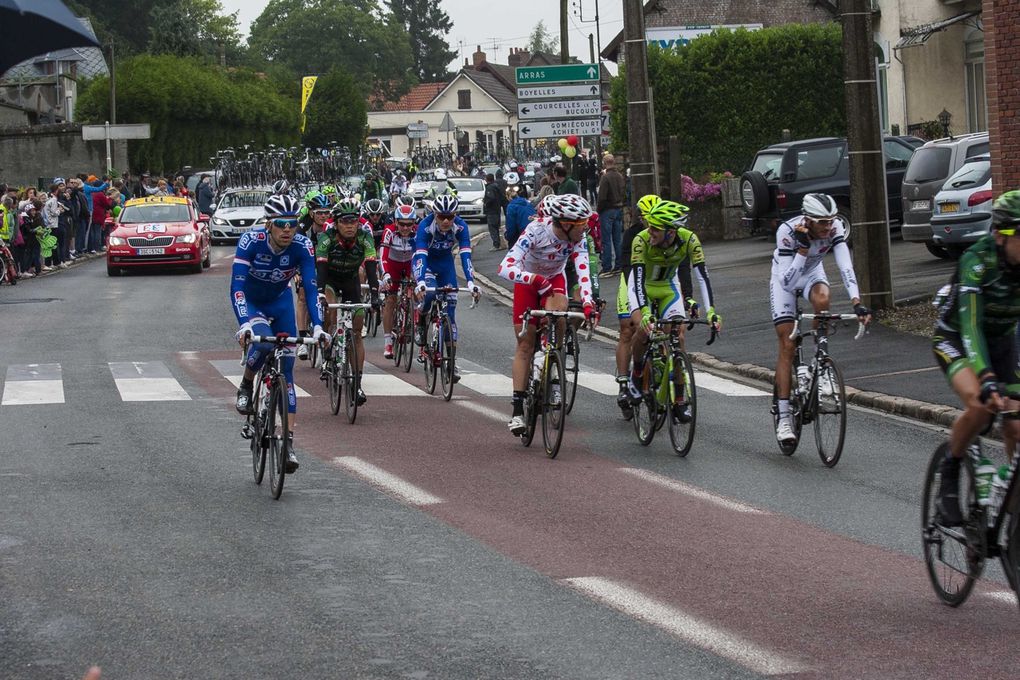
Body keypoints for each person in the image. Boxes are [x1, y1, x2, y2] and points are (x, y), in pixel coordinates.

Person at [933, 191, 1020, 526]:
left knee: (1014, 425)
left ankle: (1009, 506)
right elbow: (970, 324)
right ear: (1001, 235)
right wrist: (984, 377)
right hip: (956, 338)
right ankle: (951, 469)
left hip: (1002, 343)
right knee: (981, 405)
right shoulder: (977, 260)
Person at [231, 194, 327, 473]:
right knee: (261, 346)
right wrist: (244, 323)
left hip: (281, 302)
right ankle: (247, 384)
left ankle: (287, 442)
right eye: (281, 223)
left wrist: (318, 326)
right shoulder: (251, 242)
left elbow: (310, 288)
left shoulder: (303, 245)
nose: (288, 229)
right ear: (268, 224)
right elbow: (236, 286)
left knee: (287, 372)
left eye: (293, 223)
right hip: (252, 302)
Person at [771, 193, 870, 444]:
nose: (828, 227)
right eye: (822, 222)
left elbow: (845, 265)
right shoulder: (787, 232)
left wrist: (856, 301)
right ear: (808, 220)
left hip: (813, 272)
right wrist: (803, 248)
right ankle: (784, 418)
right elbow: (788, 281)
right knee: (787, 345)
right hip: (786, 277)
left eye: (831, 221)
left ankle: (820, 362)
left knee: (824, 299)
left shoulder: (834, 227)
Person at [497, 194, 597, 435]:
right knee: (524, 345)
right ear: (565, 223)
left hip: (554, 280)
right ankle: (518, 409)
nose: (586, 228)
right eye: (582, 224)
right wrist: (535, 279)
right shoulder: (535, 231)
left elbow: (583, 270)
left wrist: (588, 303)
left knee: (560, 313)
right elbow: (505, 267)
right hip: (528, 281)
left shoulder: (577, 238)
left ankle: (552, 368)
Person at [625, 199, 719, 423]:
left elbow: (702, 276)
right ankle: (637, 372)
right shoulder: (641, 240)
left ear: (672, 231)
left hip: (668, 288)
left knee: (678, 336)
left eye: (656, 228)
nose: (650, 231)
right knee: (643, 329)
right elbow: (637, 280)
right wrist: (645, 313)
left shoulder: (689, 240)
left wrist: (711, 311)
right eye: (650, 226)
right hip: (643, 287)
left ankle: (679, 399)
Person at [317, 198, 380, 405]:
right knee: (330, 310)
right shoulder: (326, 239)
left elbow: (371, 265)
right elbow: (321, 268)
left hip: (351, 280)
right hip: (330, 280)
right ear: (336, 223)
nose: (350, 225)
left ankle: (357, 384)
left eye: (354, 221)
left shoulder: (365, 238)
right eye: (345, 221)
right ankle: (327, 346)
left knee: (357, 330)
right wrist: (319, 293)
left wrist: (374, 294)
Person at [412, 194, 480, 372]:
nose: (446, 221)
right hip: (426, 263)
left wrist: (471, 281)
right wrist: (420, 282)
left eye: (450, 217)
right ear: (434, 214)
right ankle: (421, 321)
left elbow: (465, 254)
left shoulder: (461, 226)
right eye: (441, 216)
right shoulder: (425, 226)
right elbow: (420, 255)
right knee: (430, 294)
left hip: (446, 265)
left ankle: (451, 361)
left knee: (450, 314)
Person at [380, 203, 418, 359]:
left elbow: (421, 254)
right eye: (401, 224)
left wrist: (417, 276)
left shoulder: (417, 233)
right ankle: (388, 342)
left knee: (417, 292)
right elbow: (382, 256)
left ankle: (415, 321)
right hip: (393, 264)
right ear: (396, 222)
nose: (405, 228)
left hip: (410, 263)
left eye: (409, 224)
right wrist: (386, 274)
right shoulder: (389, 231)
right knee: (390, 300)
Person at [596, 154, 626, 274]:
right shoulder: (620, 176)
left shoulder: (605, 177)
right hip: (618, 209)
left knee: (606, 240)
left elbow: (602, 197)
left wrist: (598, 210)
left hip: (607, 210)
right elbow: (624, 193)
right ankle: (619, 265)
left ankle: (607, 266)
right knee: (617, 239)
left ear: (604, 163)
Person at [505, 183, 535, 249]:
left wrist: (507, 236)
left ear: (508, 197)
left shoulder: (511, 207)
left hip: (523, 233)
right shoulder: (527, 203)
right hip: (534, 231)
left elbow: (511, 226)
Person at [483, 173, 503, 251]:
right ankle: (498, 243)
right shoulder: (496, 186)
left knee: (492, 228)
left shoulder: (490, 188)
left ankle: (496, 245)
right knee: (496, 227)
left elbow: (491, 198)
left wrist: (486, 203)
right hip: (497, 209)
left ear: (487, 179)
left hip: (491, 211)